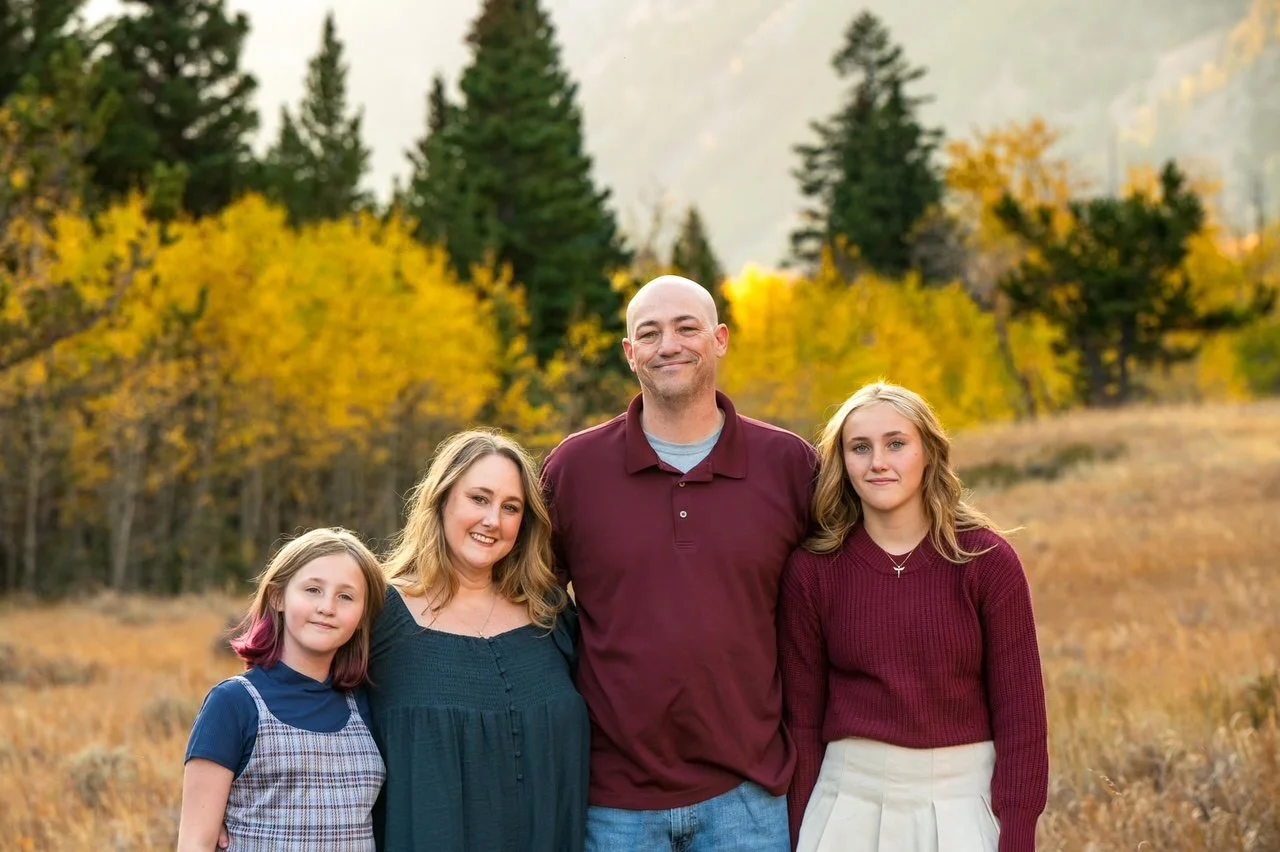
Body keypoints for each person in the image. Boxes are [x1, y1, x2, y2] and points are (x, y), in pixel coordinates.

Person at [540, 275, 818, 851]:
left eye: (686, 327)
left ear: (719, 339)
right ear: (629, 353)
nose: (669, 344)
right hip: (613, 802)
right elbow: (524, 599)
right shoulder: (576, 469)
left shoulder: (788, 465)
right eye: (650, 332)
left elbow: (841, 594)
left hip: (749, 795)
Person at [778, 381, 1049, 852]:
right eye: (859, 448)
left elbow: (1022, 718)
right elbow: (801, 721)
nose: (878, 462)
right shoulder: (813, 572)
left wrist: (1019, 834)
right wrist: (802, 830)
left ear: (928, 452)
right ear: (842, 463)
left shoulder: (986, 562)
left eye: (896, 444)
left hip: (963, 802)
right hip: (846, 804)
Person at [367, 428, 589, 851]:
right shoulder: (379, 614)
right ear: (442, 497)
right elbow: (302, 704)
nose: (493, 520)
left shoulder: (551, 614)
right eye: (479, 499)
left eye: (511, 507)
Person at [177, 527, 388, 851]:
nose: (327, 607)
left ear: (362, 616)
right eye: (313, 590)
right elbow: (195, 844)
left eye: (346, 596)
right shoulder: (233, 704)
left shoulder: (366, 705)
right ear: (278, 597)